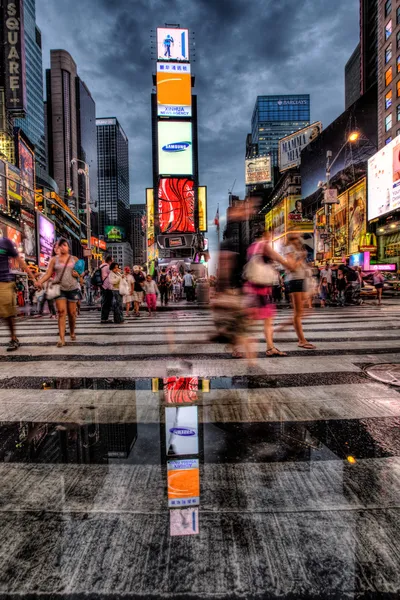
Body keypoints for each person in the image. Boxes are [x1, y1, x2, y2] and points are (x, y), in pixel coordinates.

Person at [244, 233, 293, 357]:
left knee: (259, 320)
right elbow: (279, 258)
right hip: (260, 290)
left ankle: (270, 347)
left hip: (253, 287)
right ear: (266, 235)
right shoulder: (264, 246)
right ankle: (239, 346)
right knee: (262, 321)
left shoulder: (252, 248)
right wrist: (291, 265)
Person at [37, 238, 81, 347]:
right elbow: (48, 274)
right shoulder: (53, 260)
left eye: (64, 245)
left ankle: (72, 332)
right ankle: (61, 338)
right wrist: (40, 282)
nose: (62, 247)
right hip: (59, 288)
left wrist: (78, 275)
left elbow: (81, 275)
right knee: (61, 312)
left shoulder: (74, 259)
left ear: (68, 247)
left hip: (73, 288)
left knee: (72, 314)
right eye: (60, 245)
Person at [0, 235, 35, 351]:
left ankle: (13, 338)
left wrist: (33, 278)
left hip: (4, 282)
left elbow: (20, 261)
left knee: (7, 314)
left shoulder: (5, 242)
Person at [283, 233, 316, 350]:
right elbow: (291, 267)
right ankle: (301, 340)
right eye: (296, 238)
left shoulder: (296, 249)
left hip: (300, 280)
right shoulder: (289, 248)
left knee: (301, 311)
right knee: (298, 312)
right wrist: (301, 257)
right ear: (292, 239)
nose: (299, 240)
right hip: (295, 280)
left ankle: (283, 329)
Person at [99, 256, 113, 324]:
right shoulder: (108, 267)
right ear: (110, 261)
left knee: (104, 303)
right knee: (107, 303)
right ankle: (104, 319)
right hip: (107, 287)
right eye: (112, 261)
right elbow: (111, 276)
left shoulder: (101, 266)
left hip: (102, 286)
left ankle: (104, 318)